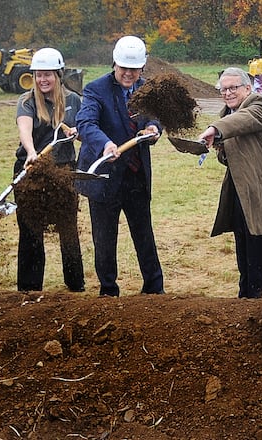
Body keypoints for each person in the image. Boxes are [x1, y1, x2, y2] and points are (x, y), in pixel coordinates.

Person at [76, 36, 163, 297]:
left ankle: (154, 288)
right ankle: (108, 290)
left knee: (144, 235)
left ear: (142, 67)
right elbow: (86, 123)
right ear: (114, 63)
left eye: (134, 68)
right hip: (105, 177)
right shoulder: (95, 89)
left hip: (135, 176)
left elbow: (156, 117)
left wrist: (154, 128)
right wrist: (104, 144)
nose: (128, 73)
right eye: (124, 67)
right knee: (104, 239)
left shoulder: (146, 90)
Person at [199, 67, 262, 298]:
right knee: (243, 246)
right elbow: (231, 154)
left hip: (259, 189)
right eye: (223, 89)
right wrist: (220, 147)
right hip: (240, 189)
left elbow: (247, 120)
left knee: (258, 246)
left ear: (248, 88)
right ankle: (245, 296)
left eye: (233, 87)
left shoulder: (258, 104)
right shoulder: (229, 113)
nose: (228, 93)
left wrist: (216, 128)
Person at [13, 48, 84, 292]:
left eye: (48, 75)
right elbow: (25, 127)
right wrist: (31, 151)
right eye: (38, 75)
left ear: (58, 75)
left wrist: (78, 133)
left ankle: (75, 284)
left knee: (68, 228)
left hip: (63, 170)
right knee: (31, 229)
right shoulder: (27, 101)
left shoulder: (73, 100)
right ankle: (29, 288)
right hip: (32, 169)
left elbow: (84, 129)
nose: (42, 80)